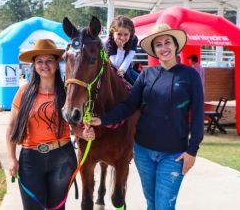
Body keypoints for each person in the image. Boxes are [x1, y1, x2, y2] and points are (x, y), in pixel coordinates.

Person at [87, 24, 204, 210]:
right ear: (154, 50)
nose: (163, 48)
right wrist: (103, 120)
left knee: (164, 206)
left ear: (176, 46)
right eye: (158, 45)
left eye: (167, 42)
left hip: (173, 155)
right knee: (151, 204)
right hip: (143, 153)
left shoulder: (190, 75)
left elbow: (198, 114)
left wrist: (192, 150)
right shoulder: (146, 75)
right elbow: (128, 106)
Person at [6, 39, 95, 210]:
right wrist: (12, 158)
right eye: (39, 61)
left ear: (56, 63)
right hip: (30, 159)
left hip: (61, 158)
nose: (44, 65)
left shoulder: (67, 93)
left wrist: (85, 133)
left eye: (49, 61)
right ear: (34, 65)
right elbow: (11, 127)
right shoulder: (24, 92)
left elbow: (75, 124)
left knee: (57, 208)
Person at [106, 15, 139, 84]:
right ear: (113, 33)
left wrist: (122, 70)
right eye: (119, 34)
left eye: (126, 34)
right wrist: (120, 49)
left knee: (145, 83)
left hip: (127, 69)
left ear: (131, 33)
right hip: (111, 72)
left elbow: (129, 58)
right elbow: (116, 64)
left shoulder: (134, 39)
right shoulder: (109, 43)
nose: (122, 38)